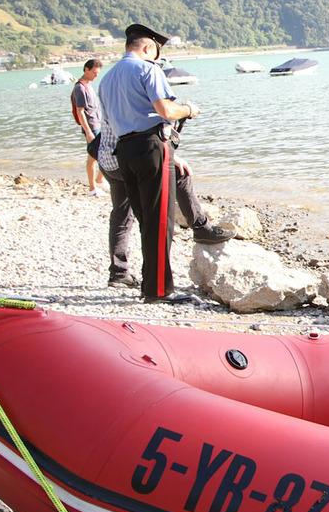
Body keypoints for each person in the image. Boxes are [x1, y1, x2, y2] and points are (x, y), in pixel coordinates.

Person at [97, 23, 220, 303]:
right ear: (147, 47)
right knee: (160, 221)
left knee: (144, 219)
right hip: (151, 147)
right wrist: (189, 109)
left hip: (123, 151)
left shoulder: (107, 79)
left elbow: (109, 123)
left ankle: (151, 284)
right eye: (156, 52)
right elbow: (165, 109)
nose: (157, 58)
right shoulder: (147, 69)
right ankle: (158, 290)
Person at [96, 123, 231, 289]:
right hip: (129, 156)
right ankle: (200, 227)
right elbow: (149, 130)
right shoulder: (143, 99)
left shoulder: (111, 95)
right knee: (181, 174)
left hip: (107, 159)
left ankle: (118, 273)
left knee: (122, 214)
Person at [70, 59, 105, 194]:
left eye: (98, 73)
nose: (96, 76)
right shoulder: (80, 87)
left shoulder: (88, 85)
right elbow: (80, 111)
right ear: (86, 69)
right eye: (94, 73)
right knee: (94, 156)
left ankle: (98, 181)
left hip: (97, 124)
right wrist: (88, 131)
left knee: (100, 154)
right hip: (91, 127)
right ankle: (93, 187)